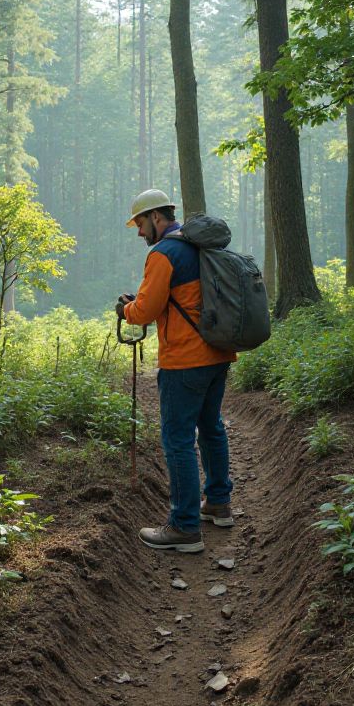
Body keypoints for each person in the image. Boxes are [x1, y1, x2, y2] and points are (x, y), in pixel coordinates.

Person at [117, 189, 237, 553]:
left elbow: (147, 311)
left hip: (184, 360)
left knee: (178, 440)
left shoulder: (164, 253)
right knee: (211, 428)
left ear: (156, 217)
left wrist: (126, 310)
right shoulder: (202, 246)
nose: (139, 233)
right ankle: (218, 503)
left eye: (140, 224)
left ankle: (184, 527)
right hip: (218, 353)